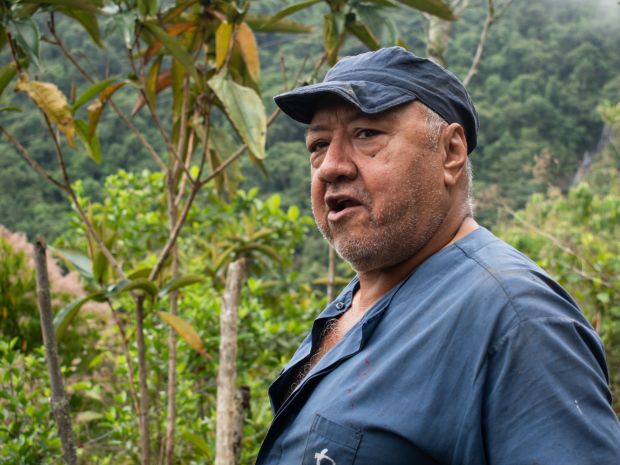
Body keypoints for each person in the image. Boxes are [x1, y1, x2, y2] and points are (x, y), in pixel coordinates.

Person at [255, 47, 620, 465]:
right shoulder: (353, 304)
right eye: (319, 144)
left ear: (450, 153)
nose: (331, 166)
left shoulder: (517, 320)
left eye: (367, 134)